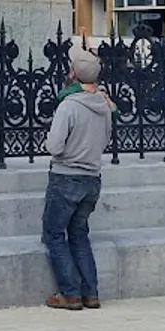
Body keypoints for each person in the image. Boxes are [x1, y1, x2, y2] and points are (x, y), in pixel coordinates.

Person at [42, 45, 113, 311]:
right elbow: (106, 139)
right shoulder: (104, 105)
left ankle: (70, 293)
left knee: (54, 234)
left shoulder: (69, 105)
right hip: (92, 177)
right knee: (79, 234)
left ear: (74, 73)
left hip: (66, 176)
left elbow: (55, 146)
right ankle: (91, 292)